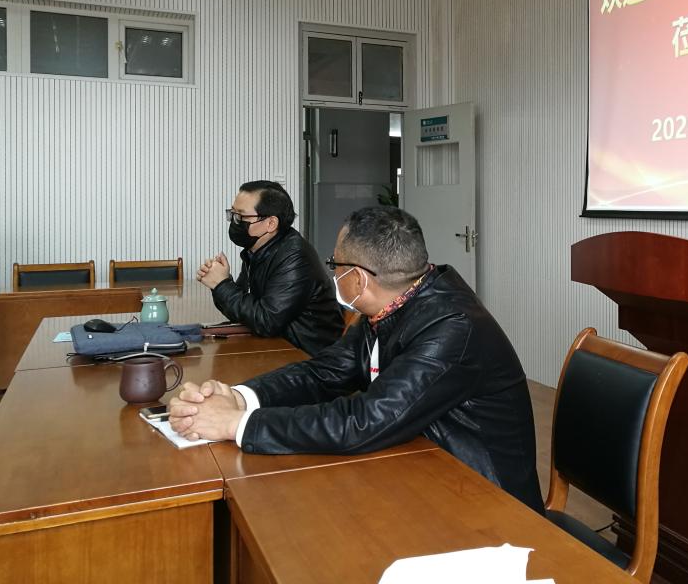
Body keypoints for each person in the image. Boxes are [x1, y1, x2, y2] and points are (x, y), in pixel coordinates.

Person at [171, 206, 544, 514]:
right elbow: (325, 371)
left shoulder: (452, 328)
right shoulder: (392, 304)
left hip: (487, 502)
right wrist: (241, 397)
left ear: (358, 279)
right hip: (419, 468)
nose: (332, 272)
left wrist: (237, 424)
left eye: (335, 264)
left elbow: (366, 420)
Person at [197, 180, 344, 356]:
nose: (235, 222)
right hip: (277, 346)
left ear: (271, 223)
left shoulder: (295, 256)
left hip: (308, 356)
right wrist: (221, 281)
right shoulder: (255, 250)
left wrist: (222, 285)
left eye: (241, 216)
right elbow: (243, 313)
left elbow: (266, 321)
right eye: (233, 214)